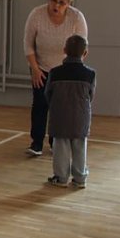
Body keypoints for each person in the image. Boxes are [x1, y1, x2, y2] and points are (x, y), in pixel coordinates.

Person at [23, 0, 88, 156]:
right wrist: (35, 69)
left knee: (60, 108)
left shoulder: (76, 17)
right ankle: (36, 143)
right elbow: (28, 44)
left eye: (62, 3)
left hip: (64, 69)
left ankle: (55, 142)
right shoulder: (36, 14)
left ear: (68, 4)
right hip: (40, 67)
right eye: (54, 1)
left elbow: (82, 46)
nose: (56, 6)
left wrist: (74, 69)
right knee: (39, 104)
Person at [44, 35, 95, 188]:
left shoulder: (54, 72)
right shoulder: (90, 74)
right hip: (81, 117)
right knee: (80, 147)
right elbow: (91, 96)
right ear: (85, 53)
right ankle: (80, 179)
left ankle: (60, 177)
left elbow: (47, 94)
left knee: (61, 147)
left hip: (60, 116)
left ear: (64, 50)